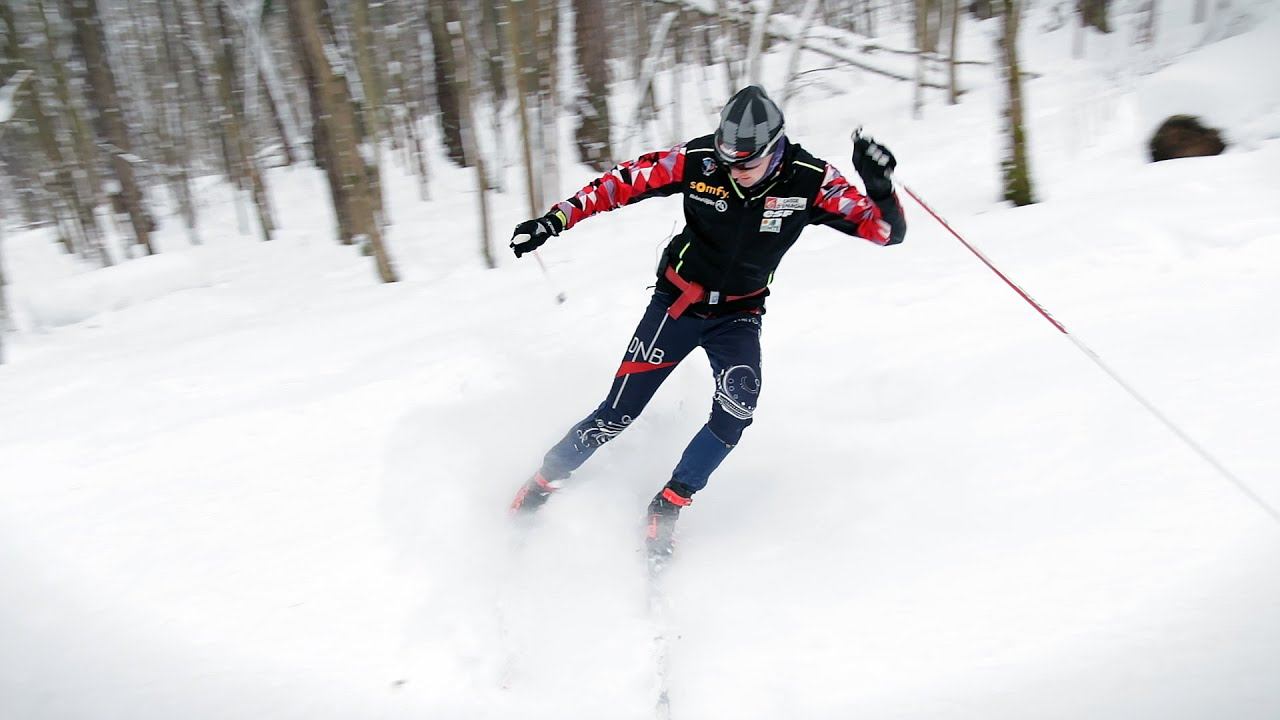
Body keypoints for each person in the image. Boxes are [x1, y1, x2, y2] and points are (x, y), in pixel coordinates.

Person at [507, 85, 906, 571]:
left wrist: (879, 184)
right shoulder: (699, 160)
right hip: (677, 304)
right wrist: (553, 220)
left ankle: (670, 503)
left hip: (738, 315)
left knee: (737, 409)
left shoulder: (811, 180)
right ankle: (544, 481)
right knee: (617, 414)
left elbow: (884, 231)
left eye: (746, 164)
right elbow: (622, 182)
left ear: (775, 147)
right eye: (728, 161)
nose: (735, 171)